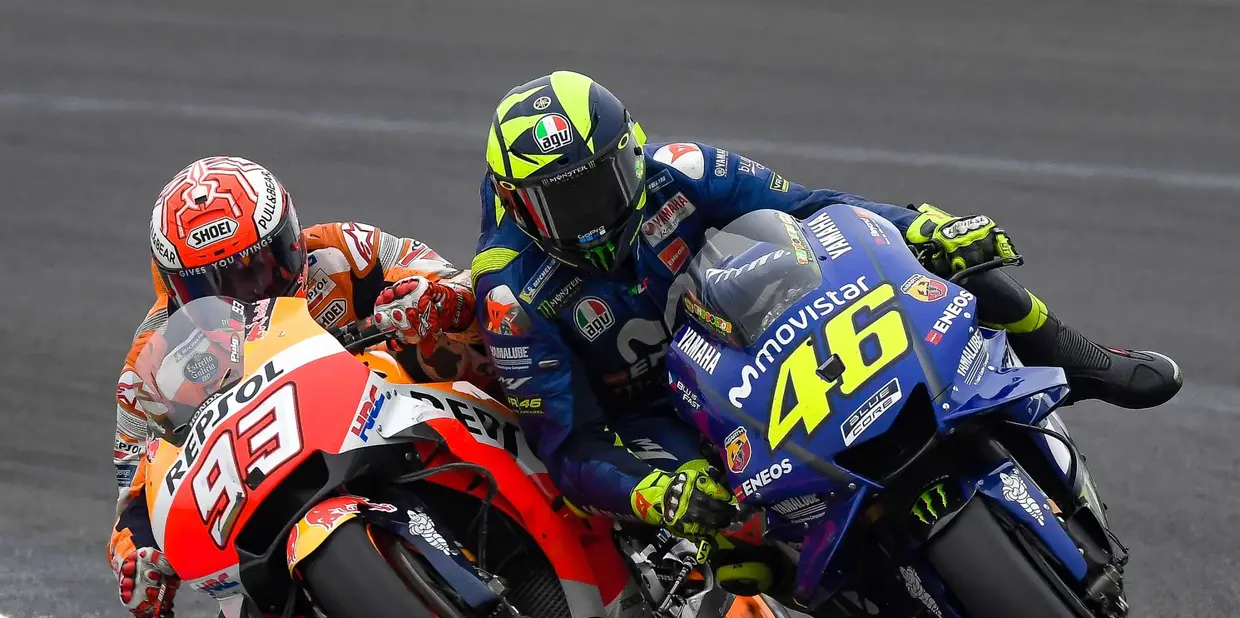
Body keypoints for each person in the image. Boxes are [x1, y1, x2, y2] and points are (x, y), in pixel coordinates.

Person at [467, 71, 1181, 588]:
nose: (589, 221)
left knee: (950, 257)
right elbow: (569, 442)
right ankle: (861, 597)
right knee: (736, 549)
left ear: (631, 152)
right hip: (657, 412)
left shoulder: (684, 171)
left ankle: (1077, 357)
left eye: (598, 187)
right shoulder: (510, 294)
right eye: (559, 204)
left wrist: (921, 227)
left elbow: (817, 210)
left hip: (753, 336)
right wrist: (652, 491)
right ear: (513, 202)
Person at [108, 156, 486, 618]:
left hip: (398, 411)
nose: (245, 291)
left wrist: (432, 300)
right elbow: (138, 492)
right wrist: (138, 557)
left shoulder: (344, 251)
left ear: (290, 239)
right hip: (274, 481)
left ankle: (559, 452)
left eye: (259, 267)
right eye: (215, 284)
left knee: (487, 339)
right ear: (175, 288)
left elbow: (460, 282)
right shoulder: (151, 364)